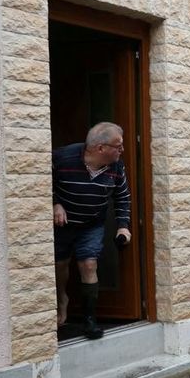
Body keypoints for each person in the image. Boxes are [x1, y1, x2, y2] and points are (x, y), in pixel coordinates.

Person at [53, 122, 131, 339]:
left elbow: (122, 197)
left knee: (88, 264)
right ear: (100, 148)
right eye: (118, 146)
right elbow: (39, 178)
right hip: (63, 225)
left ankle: (90, 320)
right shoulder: (63, 157)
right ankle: (62, 299)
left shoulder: (116, 167)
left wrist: (123, 227)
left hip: (92, 224)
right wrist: (55, 203)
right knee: (60, 265)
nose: (122, 150)